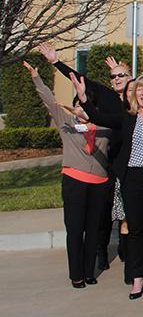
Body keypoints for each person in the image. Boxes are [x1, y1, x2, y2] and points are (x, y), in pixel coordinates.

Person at [74, 73, 143, 300]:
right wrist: (84, 98)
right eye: (140, 89)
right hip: (132, 178)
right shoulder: (126, 117)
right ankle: (137, 277)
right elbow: (97, 116)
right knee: (134, 230)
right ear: (134, 93)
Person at [39, 43, 129, 272]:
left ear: (131, 77)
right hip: (106, 161)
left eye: (122, 75)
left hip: (130, 162)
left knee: (130, 211)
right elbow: (80, 80)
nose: (117, 79)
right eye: (114, 76)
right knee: (104, 212)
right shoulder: (107, 96)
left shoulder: (137, 97)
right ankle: (100, 251)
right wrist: (55, 62)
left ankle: (128, 250)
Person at [26, 61, 112, 288]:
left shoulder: (104, 128)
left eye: (85, 107)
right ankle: (77, 274)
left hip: (99, 183)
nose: (81, 110)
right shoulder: (67, 122)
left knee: (93, 230)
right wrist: (37, 77)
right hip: (74, 181)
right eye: (78, 106)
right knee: (75, 229)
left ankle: (89, 271)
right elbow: (48, 99)